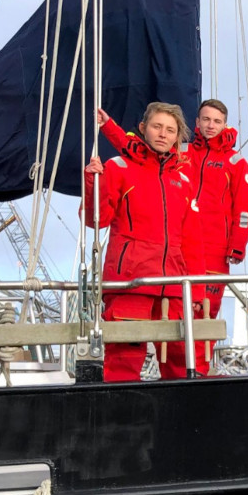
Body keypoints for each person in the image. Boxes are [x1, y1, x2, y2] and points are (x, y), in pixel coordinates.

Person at [83, 104, 205, 382]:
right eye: (157, 126)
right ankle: (120, 419)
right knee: (124, 363)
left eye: (170, 130)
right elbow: (96, 220)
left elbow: (192, 243)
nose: (163, 134)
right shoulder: (118, 167)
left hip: (174, 287)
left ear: (177, 137)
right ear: (143, 129)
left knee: (183, 360)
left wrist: (195, 292)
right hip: (130, 282)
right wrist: (92, 183)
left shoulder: (183, 181)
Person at [185, 98, 248, 374]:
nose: (210, 126)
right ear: (197, 122)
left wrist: (237, 246)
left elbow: (245, 208)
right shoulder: (181, 153)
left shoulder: (235, 162)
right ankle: (178, 369)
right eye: (206, 120)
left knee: (206, 312)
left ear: (225, 124)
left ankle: (200, 369)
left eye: (216, 121)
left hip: (215, 249)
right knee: (178, 308)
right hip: (181, 246)